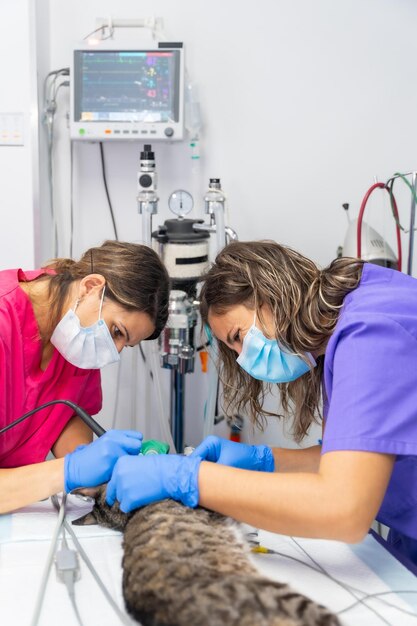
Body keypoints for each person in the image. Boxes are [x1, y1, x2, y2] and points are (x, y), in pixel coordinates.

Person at [106, 240, 417, 566]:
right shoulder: (346, 327)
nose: (243, 360)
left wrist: (187, 477)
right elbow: (348, 460)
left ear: (269, 294)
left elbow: (343, 508)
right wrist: (261, 459)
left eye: (238, 337)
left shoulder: (370, 335)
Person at [0, 240, 169, 514]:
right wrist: (67, 472)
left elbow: (65, 414)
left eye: (125, 344)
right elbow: (68, 469)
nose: (113, 351)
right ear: (91, 287)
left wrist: (106, 469)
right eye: (117, 332)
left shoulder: (78, 333)